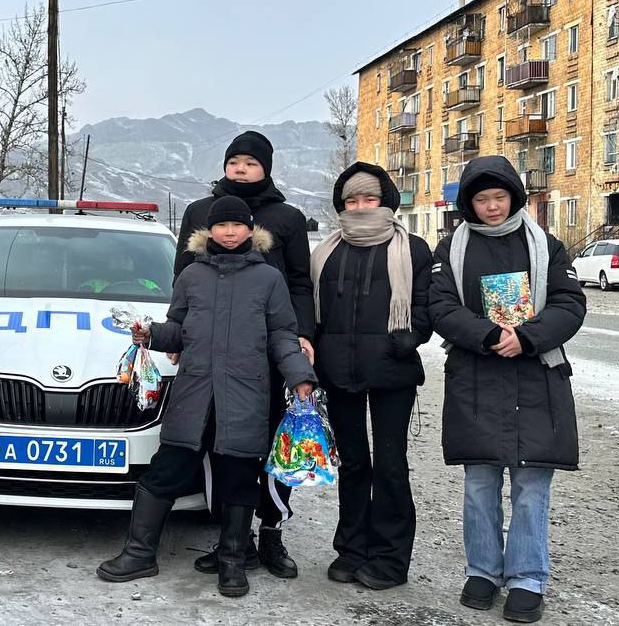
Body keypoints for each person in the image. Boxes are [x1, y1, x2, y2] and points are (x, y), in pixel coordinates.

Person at [97, 196, 316, 597]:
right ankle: (139, 553)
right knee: (165, 471)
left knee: (239, 478)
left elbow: (283, 335)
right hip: (194, 394)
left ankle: (233, 562)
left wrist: (300, 376)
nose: (229, 232)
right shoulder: (192, 276)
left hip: (245, 395)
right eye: (221, 225)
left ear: (250, 230)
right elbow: (178, 329)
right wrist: (151, 334)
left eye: (237, 225)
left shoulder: (268, 279)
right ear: (209, 230)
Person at [430, 156, 585, 624]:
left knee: (531, 487)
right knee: (479, 485)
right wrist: (490, 335)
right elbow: (440, 305)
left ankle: (527, 579)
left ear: (514, 197)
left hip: (537, 379)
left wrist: (528, 337)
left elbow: (570, 302)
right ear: (468, 204)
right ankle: (482, 571)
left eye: (499, 197)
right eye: (482, 199)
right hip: (476, 377)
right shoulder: (451, 249)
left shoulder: (547, 246)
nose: (492, 206)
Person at [176, 131, 314, 579]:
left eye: (251, 162)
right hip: (216, 354)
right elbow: (183, 279)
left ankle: (272, 532)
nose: (241, 168)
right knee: (221, 446)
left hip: (269, 352)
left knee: (275, 444)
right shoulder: (199, 212)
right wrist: (179, 338)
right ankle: (232, 540)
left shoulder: (287, 217)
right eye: (234, 160)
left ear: (266, 168)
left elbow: (299, 282)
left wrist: (303, 335)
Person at [310, 163, 433, 590]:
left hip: (392, 371)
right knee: (353, 463)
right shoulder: (325, 253)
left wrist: (408, 338)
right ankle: (351, 549)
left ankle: (390, 558)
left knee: (390, 465)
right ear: (341, 205)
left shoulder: (413, 249)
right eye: (352, 200)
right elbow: (313, 310)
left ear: (386, 202)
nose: (361, 206)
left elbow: (426, 305)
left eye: (370, 198)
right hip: (337, 371)